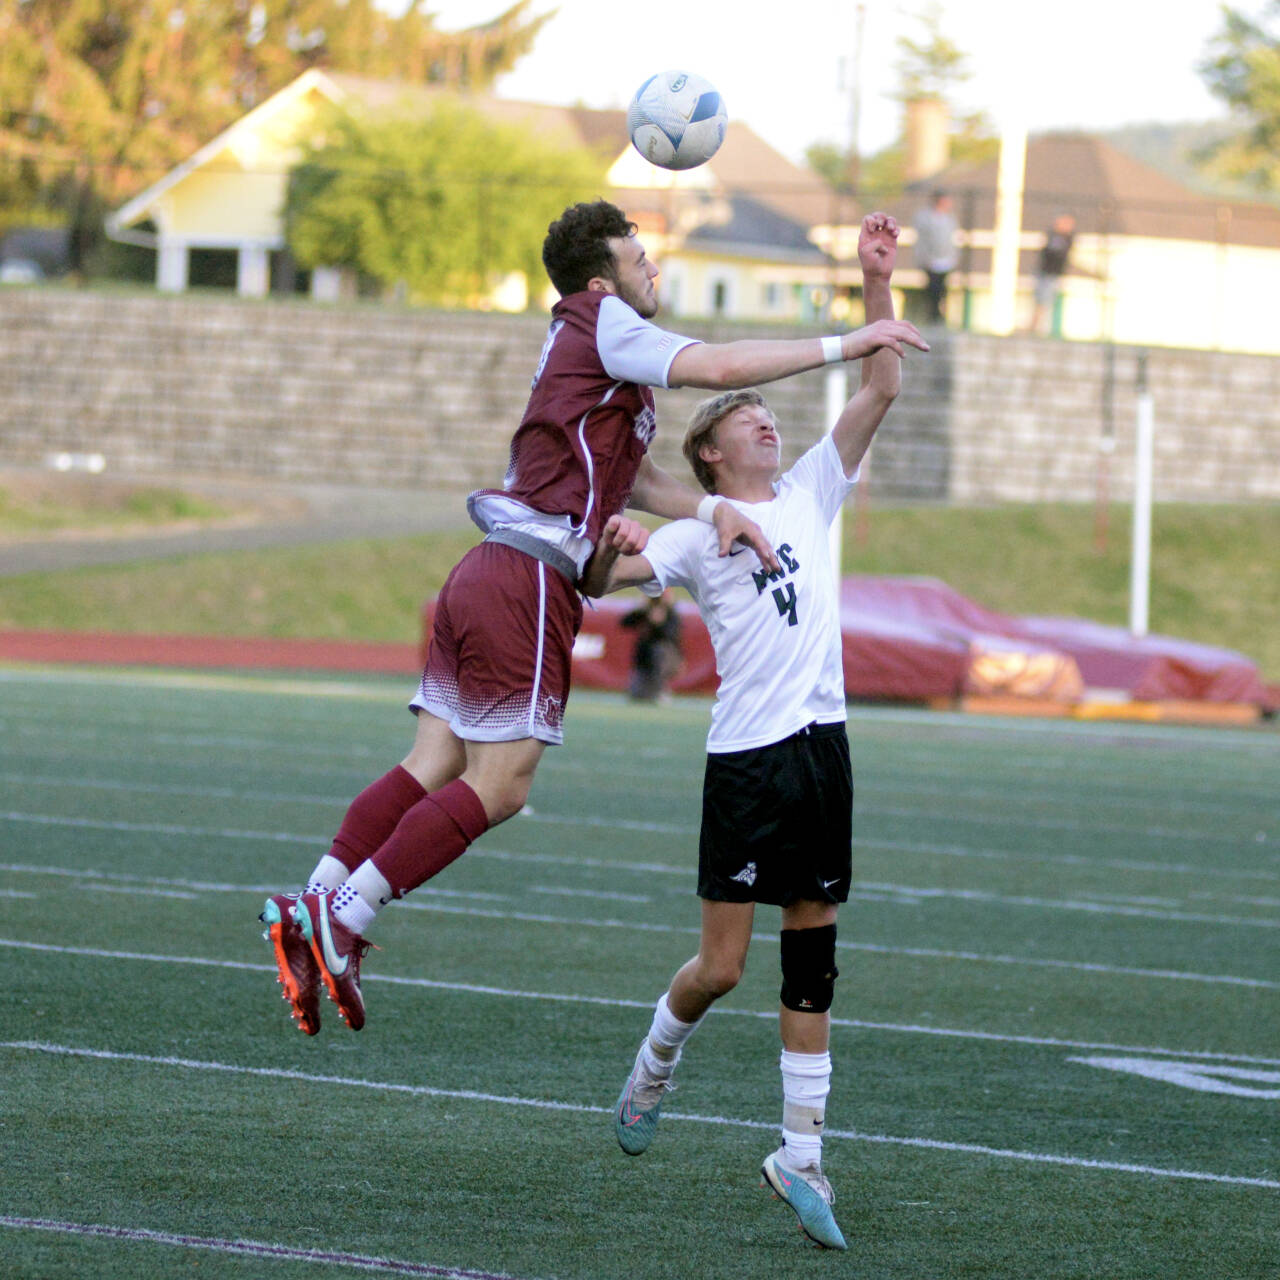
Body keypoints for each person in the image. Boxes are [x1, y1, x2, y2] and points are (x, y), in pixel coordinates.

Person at [259, 198, 926, 1040]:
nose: (653, 267)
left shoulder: (597, 362)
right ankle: (348, 915)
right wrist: (846, 341)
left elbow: (642, 481)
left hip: (486, 563)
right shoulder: (605, 319)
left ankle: (317, 894)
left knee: (433, 758)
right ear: (601, 277)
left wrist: (715, 509)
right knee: (500, 786)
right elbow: (717, 368)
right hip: (533, 575)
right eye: (637, 254)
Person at [580, 213, 926, 1251]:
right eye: (745, 418)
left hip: (821, 747)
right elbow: (602, 581)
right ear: (707, 450)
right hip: (744, 761)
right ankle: (652, 1068)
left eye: (769, 415)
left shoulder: (814, 492)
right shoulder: (693, 532)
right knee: (720, 966)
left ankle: (801, 1152)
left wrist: (875, 285)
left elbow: (878, 386)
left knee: (812, 951)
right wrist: (610, 539)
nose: (766, 424)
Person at [621, 588, 682, 701]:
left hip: (665, 658)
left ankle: (660, 689)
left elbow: (672, 636)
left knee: (659, 650)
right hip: (643, 659)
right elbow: (624, 623)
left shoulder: (671, 614)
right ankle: (643, 687)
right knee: (637, 695)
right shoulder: (644, 612)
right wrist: (640, 610)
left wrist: (658, 623)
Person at [912, 189, 958, 325]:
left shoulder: (950, 219)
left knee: (942, 290)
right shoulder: (925, 218)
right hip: (931, 260)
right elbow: (922, 240)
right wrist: (923, 257)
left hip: (946, 260)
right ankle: (931, 316)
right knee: (932, 290)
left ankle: (940, 317)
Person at [1032, 213, 1076, 336]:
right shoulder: (1053, 236)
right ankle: (1035, 328)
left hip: (1053, 274)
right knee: (1040, 301)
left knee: (1046, 301)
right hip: (1045, 273)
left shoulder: (1067, 239)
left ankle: (1039, 328)